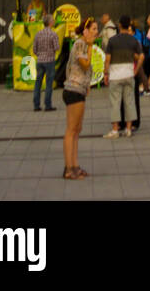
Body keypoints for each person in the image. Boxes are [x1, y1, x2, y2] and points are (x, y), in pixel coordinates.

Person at [63, 16, 98, 180]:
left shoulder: (84, 44)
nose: (96, 32)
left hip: (80, 90)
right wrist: (90, 47)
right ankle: (69, 168)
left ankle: (75, 165)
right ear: (86, 30)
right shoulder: (80, 44)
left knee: (77, 129)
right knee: (71, 129)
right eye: (94, 29)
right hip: (73, 89)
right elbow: (85, 64)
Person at [103, 15, 144, 138]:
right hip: (129, 74)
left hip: (115, 75)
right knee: (129, 101)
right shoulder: (133, 40)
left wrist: (106, 73)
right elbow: (141, 56)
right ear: (129, 25)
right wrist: (136, 70)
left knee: (115, 102)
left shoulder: (112, 40)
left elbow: (107, 59)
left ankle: (115, 130)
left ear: (119, 25)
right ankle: (128, 129)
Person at [32, 13, 60, 112]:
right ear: (50, 23)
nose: (54, 21)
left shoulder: (38, 34)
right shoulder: (53, 34)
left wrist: (40, 54)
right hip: (50, 61)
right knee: (49, 83)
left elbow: (34, 49)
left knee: (38, 83)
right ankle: (47, 105)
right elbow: (57, 48)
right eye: (53, 20)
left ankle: (36, 105)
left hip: (39, 61)